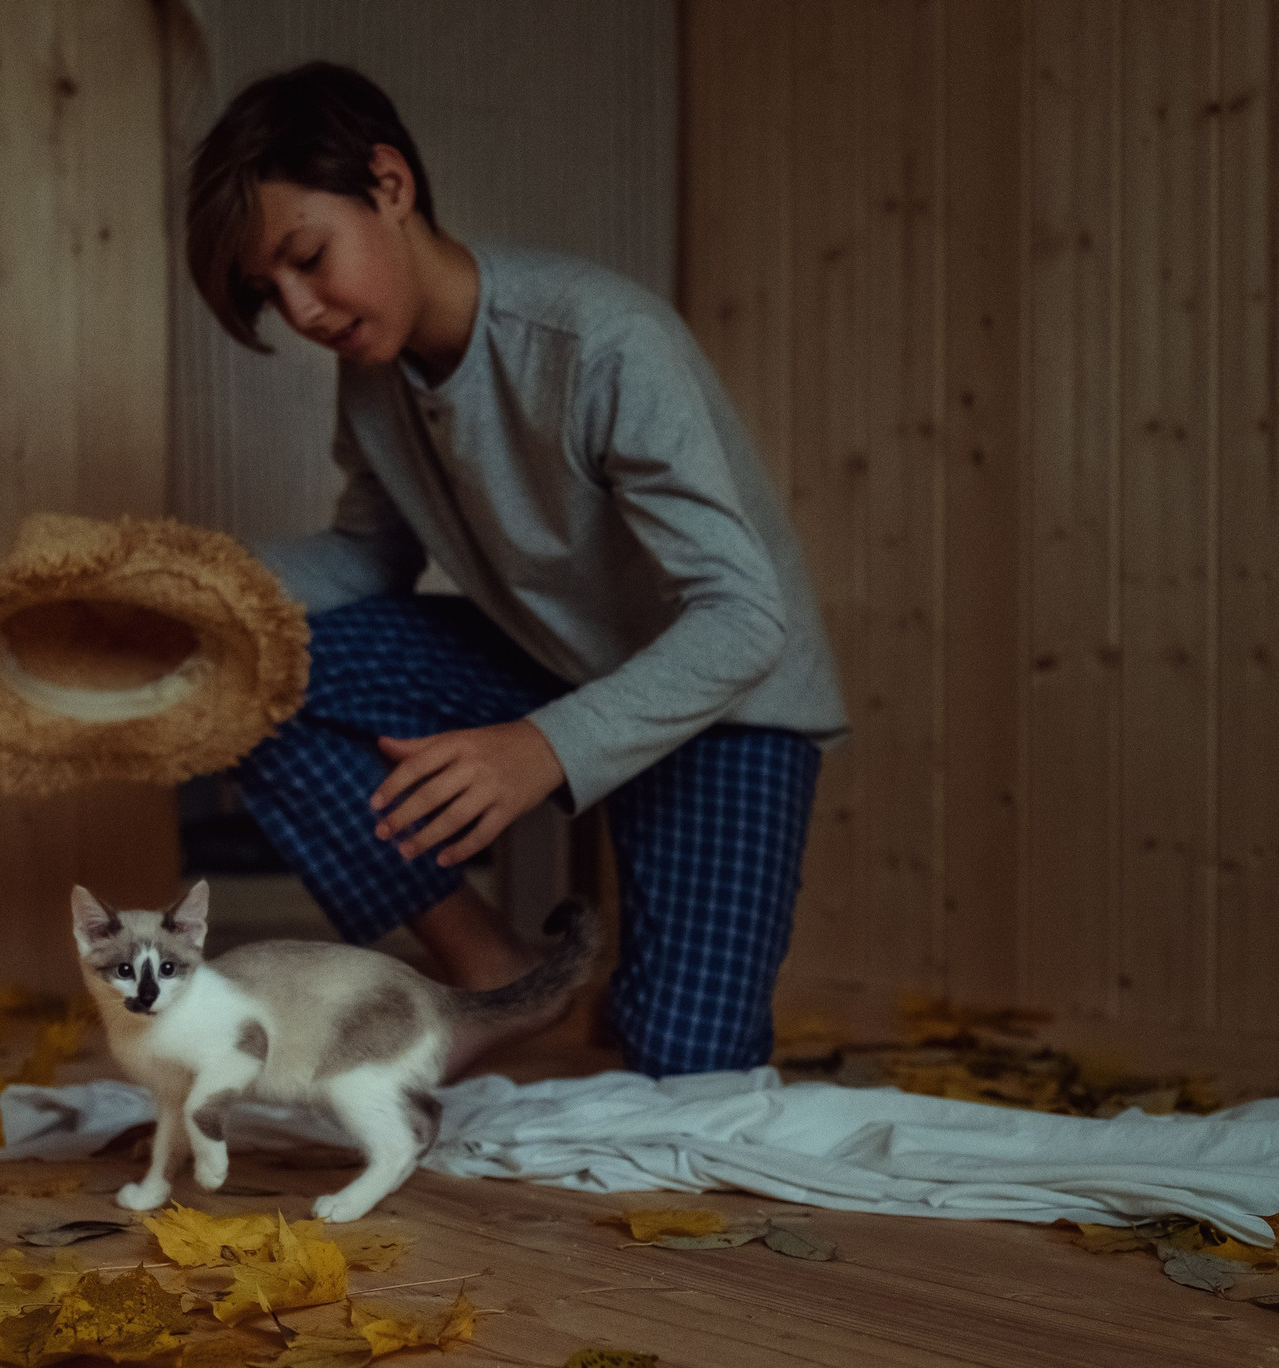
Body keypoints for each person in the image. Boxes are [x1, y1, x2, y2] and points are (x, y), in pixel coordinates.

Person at [186, 62, 848, 1078]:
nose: (303, 309)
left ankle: (648, 1001)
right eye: (272, 296)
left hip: (730, 698)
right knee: (238, 670)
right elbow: (370, 555)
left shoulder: (603, 344)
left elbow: (743, 620)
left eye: (308, 258)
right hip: (551, 657)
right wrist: (186, 588)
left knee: (686, 1073)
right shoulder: (371, 380)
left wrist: (540, 748)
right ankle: (491, 975)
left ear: (390, 184)